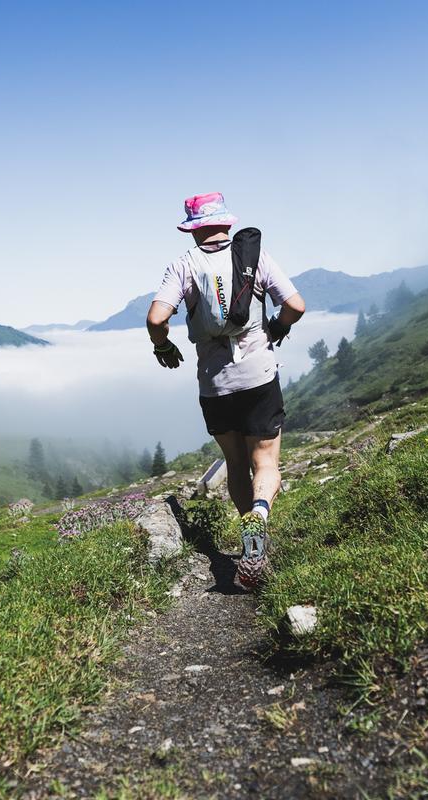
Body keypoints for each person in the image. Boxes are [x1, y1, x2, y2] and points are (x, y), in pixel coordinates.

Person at [146, 192, 305, 589]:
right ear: (227, 223)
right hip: (259, 376)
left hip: (215, 385)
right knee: (265, 461)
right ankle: (260, 518)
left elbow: (156, 318)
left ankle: (249, 534)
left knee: (235, 463)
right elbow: (296, 306)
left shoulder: (183, 266)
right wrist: (278, 328)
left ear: (193, 228)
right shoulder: (256, 259)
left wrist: (163, 345)